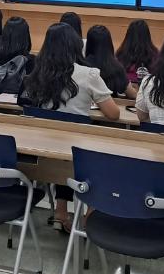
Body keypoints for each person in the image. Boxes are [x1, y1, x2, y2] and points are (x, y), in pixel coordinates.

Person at [19, 23, 119, 231]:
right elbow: (114, 114)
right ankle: (90, 213)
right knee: (96, 153)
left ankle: (61, 210)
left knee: (64, 145)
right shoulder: (88, 74)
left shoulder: (37, 72)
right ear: (75, 45)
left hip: (42, 151)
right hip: (77, 153)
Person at [85, 24, 136, 98]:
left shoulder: (82, 65)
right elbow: (132, 95)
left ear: (89, 43)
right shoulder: (117, 68)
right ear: (109, 43)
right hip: (110, 104)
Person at [117, 20, 160, 87]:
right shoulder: (156, 55)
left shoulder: (120, 54)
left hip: (124, 90)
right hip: (147, 90)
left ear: (128, 35)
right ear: (147, 35)